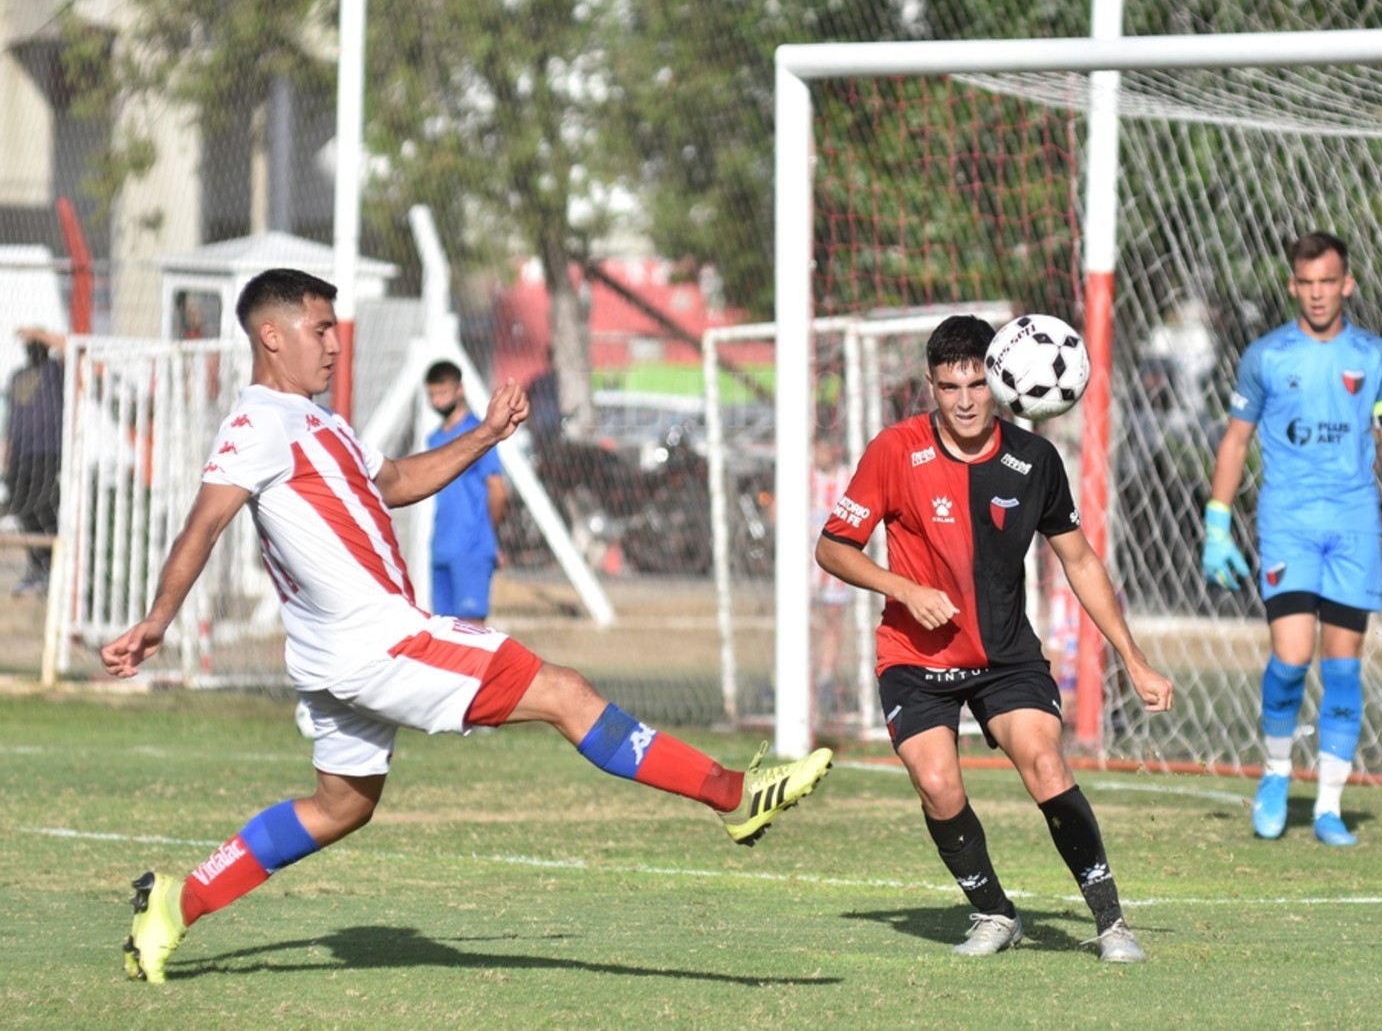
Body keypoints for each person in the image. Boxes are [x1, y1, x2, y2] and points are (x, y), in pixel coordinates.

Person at [102, 269, 833, 985]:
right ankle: (733, 794)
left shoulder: (317, 422)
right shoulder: (259, 422)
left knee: (339, 807)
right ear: (271, 335)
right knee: (566, 693)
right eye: (319, 328)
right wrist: (158, 621)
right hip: (379, 642)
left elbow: (395, 484)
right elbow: (204, 524)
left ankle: (177, 902)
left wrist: (485, 434)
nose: (332, 344)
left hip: (333, 656)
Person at [815, 315, 1175, 962]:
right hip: (914, 657)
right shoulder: (893, 451)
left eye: (977, 384)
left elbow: (1081, 562)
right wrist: (904, 589)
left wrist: (1134, 660)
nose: (963, 400)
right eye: (949, 386)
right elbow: (832, 549)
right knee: (936, 784)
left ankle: (1111, 923)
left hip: (1005, 656)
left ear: (1002, 380)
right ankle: (993, 914)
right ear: (930, 385)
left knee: (1044, 763)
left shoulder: (1034, 459)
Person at [1202, 231, 1382, 848]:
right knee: (1289, 660)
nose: (1316, 294)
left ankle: (1329, 805)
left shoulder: (1375, 355)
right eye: (1305, 284)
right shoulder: (1265, 356)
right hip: (1288, 522)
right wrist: (1217, 524)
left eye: (1326, 282)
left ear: (1346, 284)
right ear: (1292, 286)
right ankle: (1277, 773)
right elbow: (1234, 441)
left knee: (1342, 671)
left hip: (1355, 524)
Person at [424, 360, 506, 624]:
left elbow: (497, 491)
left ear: (460, 390)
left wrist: (486, 535)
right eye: (432, 394)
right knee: (445, 637)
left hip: (472, 549)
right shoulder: (434, 438)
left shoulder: (480, 435)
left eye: (443, 393)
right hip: (441, 547)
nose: (437, 401)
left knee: (472, 633)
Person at [4, 327, 65, 596]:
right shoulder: (18, 376)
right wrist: (6, 447)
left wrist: (41, 334)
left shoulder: (55, 371)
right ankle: (38, 567)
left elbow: (73, 350)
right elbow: (13, 415)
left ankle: (53, 567)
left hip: (47, 453)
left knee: (45, 507)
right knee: (22, 507)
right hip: (19, 455)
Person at [809, 433, 852, 716]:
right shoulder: (805, 476)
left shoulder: (849, 477)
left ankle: (825, 678)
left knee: (833, 620)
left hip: (838, 565)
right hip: (805, 564)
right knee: (807, 623)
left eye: (823, 446)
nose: (818, 452)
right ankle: (798, 676)